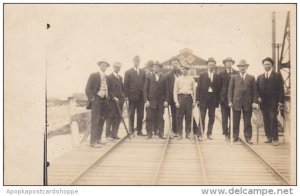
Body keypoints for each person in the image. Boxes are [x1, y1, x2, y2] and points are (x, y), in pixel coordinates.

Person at [228, 59, 258, 144]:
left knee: (247, 121)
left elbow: (254, 91)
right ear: (238, 67)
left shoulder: (251, 78)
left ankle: (248, 137)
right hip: (236, 102)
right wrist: (230, 101)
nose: (242, 68)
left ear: (246, 67)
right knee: (235, 121)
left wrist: (254, 102)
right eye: (240, 66)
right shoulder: (233, 77)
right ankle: (235, 136)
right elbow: (230, 90)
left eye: (244, 66)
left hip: (247, 103)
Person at [257, 57, 284, 146]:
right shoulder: (260, 77)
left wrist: (280, 102)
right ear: (263, 65)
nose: (266, 66)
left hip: (273, 103)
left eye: (268, 64)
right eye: (265, 64)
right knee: (266, 120)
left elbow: (281, 90)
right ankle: (268, 137)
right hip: (263, 103)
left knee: (273, 120)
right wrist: (258, 97)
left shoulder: (277, 76)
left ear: (272, 65)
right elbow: (257, 90)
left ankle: (275, 138)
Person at [85, 60, 110, 148]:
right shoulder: (93, 75)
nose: (104, 67)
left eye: (105, 66)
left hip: (105, 100)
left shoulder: (107, 77)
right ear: (99, 66)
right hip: (97, 100)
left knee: (102, 120)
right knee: (95, 120)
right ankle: (93, 141)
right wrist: (93, 99)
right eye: (102, 65)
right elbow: (87, 89)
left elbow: (108, 88)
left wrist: (108, 97)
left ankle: (98, 139)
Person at [196, 57, 220, 140]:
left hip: (212, 101)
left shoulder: (217, 76)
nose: (211, 66)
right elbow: (198, 88)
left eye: (212, 65)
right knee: (202, 117)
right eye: (209, 65)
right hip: (203, 100)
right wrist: (197, 99)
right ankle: (200, 133)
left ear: (214, 66)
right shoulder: (202, 75)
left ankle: (209, 134)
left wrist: (217, 101)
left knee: (212, 118)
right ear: (207, 65)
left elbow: (218, 89)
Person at [143, 62, 169, 139]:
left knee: (160, 118)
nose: (155, 69)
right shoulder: (149, 77)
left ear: (160, 68)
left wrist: (166, 100)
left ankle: (161, 133)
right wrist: (146, 100)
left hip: (161, 102)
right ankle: (149, 134)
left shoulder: (164, 78)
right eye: (154, 67)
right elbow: (145, 90)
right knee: (149, 118)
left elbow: (167, 90)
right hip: (151, 102)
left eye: (156, 67)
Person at [173, 61, 196, 139]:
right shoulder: (178, 79)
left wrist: (194, 101)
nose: (184, 70)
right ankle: (180, 133)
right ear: (181, 70)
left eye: (185, 69)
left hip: (189, 98)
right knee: (179, 116)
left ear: (188, 70)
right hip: (181, 98)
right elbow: (175, 91)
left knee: (188, 117)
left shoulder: (192, 79)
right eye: (182, 69)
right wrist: (176, 101)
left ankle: (188, 133)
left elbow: (194, 91)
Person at [124, 55, 146, 136]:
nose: (137, 62)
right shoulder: (128, 72)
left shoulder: (143, 72)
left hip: (141, 97)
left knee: (141, 114)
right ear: (133, 61)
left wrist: (144, 96)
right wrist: (126, 96)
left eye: (138, 61)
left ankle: (139, 130)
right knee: (131, 114)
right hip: (132, 97)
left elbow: (145, 84)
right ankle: (131, 131)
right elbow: (125, 85)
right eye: (135, 60)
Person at [219, 57, 238, 140]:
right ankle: (226, 133)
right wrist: (220, 99)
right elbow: (218, 87)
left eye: (230, 62)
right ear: (225, 64)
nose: (229, 64)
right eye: (227, 62)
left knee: (233, 118)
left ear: (232, 63)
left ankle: (232, 133)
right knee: (224, 118)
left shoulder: (236, 73)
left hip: (234, 99)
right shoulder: (221, 74)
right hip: (224, 100)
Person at [106, 62, 125, 140]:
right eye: (116, 67)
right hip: (112, 101)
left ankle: (114, 134)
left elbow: (122, 88)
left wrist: (124, 96)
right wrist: (113, 97)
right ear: (113, 67)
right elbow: (108, 89)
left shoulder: (120, 77)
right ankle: (108, 135)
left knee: (118, 117)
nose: (118, 69)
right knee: (110, 117)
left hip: (120, 101)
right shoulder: (109, 77)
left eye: (119, 68)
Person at [165, 57, 182, 137]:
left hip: (182, 98)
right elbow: (167, 89)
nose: (175, 65)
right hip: (173, 99)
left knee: (181, 114)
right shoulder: (168, 75)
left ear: (178, 63)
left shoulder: (182, 73)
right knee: (175, 114)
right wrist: (167, 100)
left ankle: (181, 130)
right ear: (171, 65)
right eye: (173, 63)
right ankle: (175, 130)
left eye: (176, 63)